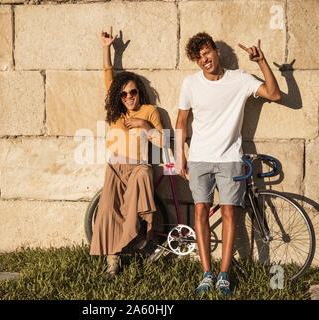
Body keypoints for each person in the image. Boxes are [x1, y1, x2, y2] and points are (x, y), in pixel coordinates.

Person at [175, 32, 281, 296]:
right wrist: (180, 155)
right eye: (198, 57)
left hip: (230, 158)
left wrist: (262, 62)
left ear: (217, 51)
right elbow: (181, 121)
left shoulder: (240, 79)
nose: (204, 60)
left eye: (207, 53)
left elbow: (274, 94)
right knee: (200, 210)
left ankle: (224, 275)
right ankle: (206, 273)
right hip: (199, 157)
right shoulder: (190, 83)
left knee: (231, 212)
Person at [89, 27, 164, 280]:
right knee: (110, 211)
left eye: (133, 92)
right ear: (118, 96)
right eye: (124, 94)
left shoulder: (150, 111)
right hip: (115, 167)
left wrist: (146, 127)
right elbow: (108, 75)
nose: (129, 97)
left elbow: (164, 142)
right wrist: (106, 48)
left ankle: (140, 233)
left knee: (142, 177)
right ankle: (113, 262)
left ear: (139, 92)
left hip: (138, 167)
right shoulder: (117, 110)